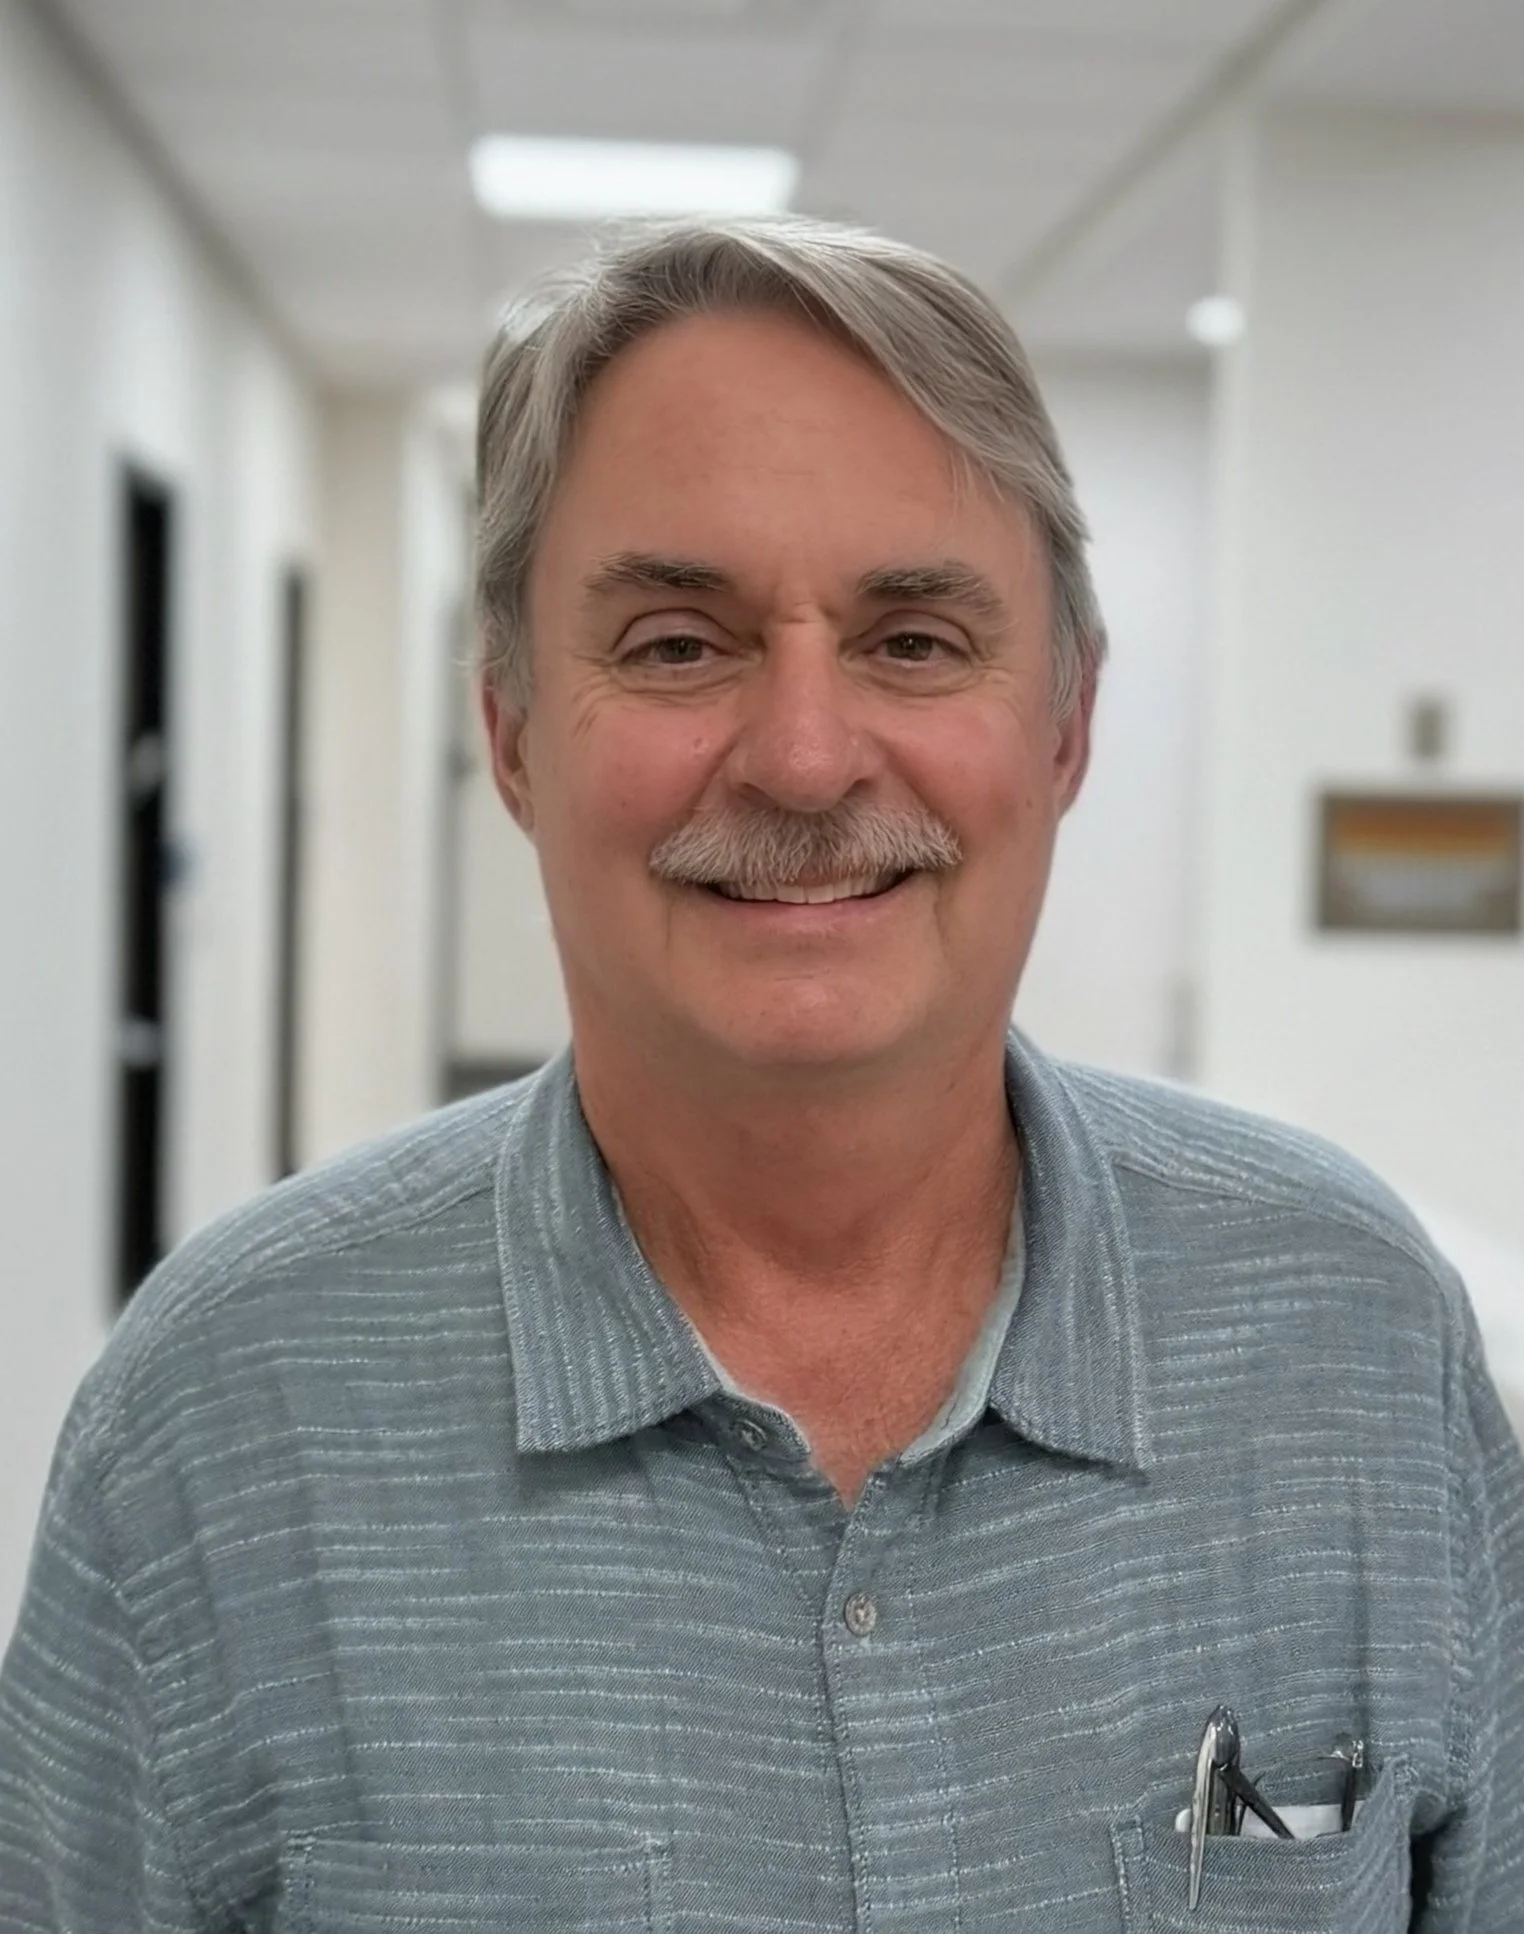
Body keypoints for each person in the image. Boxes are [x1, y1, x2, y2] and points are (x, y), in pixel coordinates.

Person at [1, 216, 1519, 1933]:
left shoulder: (1351, 1343)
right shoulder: (218, 1423)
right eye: (676, 642)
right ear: (511, 732)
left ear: (1069, 724)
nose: (804, 757)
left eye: (914, 640)